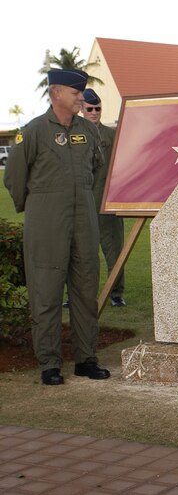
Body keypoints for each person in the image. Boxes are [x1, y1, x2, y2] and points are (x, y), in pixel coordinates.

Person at [4, 69, 111, 385]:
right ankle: (49, 363)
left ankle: (86, 359)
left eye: (82, 93)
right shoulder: (33, 131)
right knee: (46, 291)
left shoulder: (87, 131)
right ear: (56, 94)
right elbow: (14, 177)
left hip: (84, 218)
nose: (81, 98)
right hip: (47, 219)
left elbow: (97, 168)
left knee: (85, 288)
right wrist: (38, 207)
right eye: (76, 93)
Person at [82, 88, 126, 307]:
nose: (94, 112)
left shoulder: (111, 135)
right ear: (82, 109)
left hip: (107, 203)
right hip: (81, 205)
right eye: (90, 109)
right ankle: (78, 296)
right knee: (79, 255)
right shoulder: (73, 135)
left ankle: (116, 293)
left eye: (97, 109)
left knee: (114, 251)